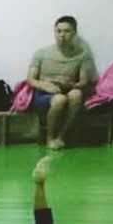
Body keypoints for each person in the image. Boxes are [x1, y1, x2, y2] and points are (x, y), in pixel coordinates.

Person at [28, 16, 99, 151]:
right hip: (44, 93)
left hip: (68, 89)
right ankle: (49, 138)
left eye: (67, 31)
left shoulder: (82, 55)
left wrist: (69, 85)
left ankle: (61, 136)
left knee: (76, 95)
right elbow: (31, 79)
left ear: (74, 33)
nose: (62, 35)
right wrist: (46, 86)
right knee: (59, 99)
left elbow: (83, 81)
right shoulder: (42, 53)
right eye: (58, 31)